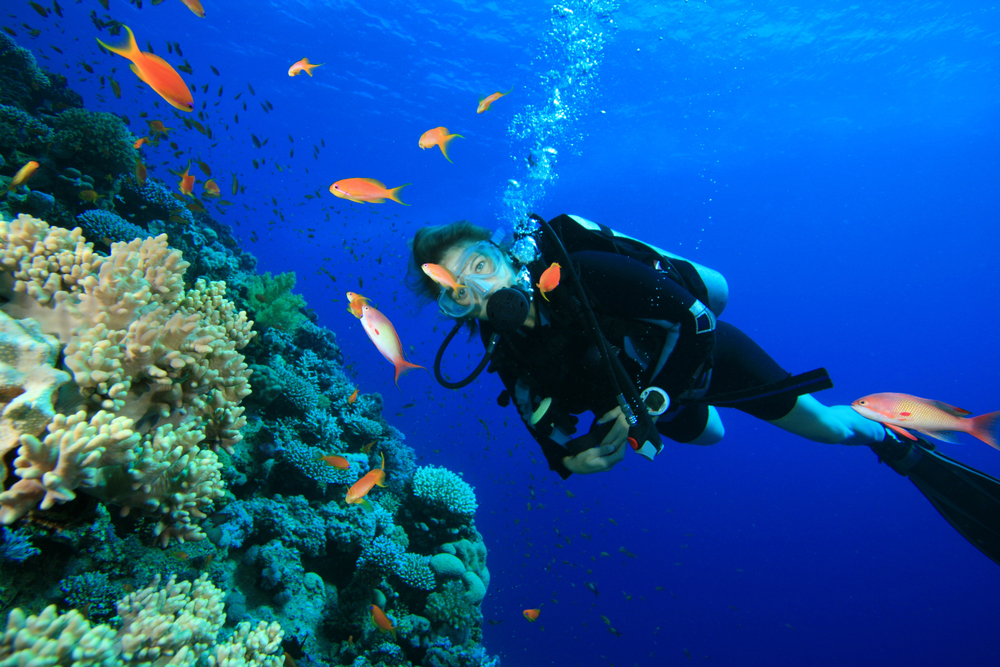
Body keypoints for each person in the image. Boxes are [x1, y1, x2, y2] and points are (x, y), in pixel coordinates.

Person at [408, 213, 1000, 565]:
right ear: (452, 309)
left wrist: (657, 400)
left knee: (829, 430)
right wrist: (576, 459)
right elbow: (546, 438)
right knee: (713, 436)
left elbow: (699, 322)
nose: (478, 291)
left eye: (480, 266)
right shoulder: (504, 350)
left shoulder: (582, 271)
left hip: (705, 357)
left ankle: (891, 437)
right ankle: (695, 410)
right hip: (653, 401)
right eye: (456, 291)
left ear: (505, 256)